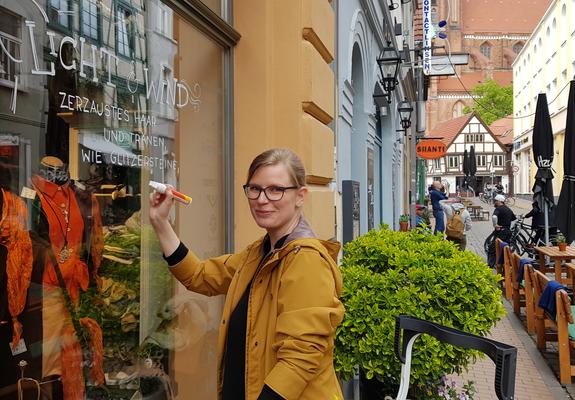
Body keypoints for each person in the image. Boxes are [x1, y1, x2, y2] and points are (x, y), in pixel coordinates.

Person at [149, 148, 345, 400]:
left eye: (276, 189)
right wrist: (161, 223)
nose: (262, 199)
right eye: (255, 189)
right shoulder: (260, 253)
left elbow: (301, 355)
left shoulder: (305, 259)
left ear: (300, 195)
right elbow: (200, 275)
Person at [487, 194, 516, 267]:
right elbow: (514, 219)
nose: (495, 202)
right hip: (508, 231)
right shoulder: (508, 209)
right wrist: (509, 227)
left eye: (495, 201)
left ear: (499, 201)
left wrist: (495, 225)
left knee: (492, 248)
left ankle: (490, 265)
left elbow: (494, 217)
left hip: (501, 231)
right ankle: (507, 264)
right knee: (506, 249)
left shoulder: (498, 209)